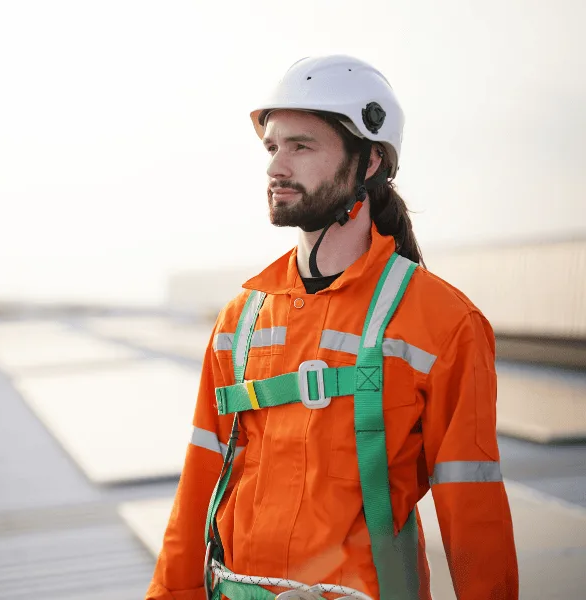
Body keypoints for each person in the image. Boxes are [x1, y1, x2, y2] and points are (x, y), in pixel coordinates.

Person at [145, 55, 519, 600]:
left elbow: (474, 515)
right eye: (272, 147)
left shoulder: (443, 323)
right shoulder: (241, 320)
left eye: (301, 146)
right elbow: (199, 485)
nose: (276, 167)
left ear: (369, 161)